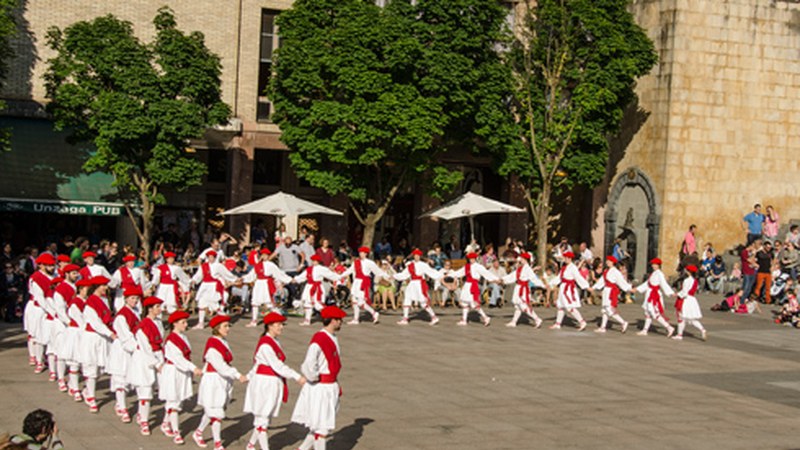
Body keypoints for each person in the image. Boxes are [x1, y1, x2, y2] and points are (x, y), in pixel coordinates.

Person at [243, 312, 306, 450]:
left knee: (265, 417)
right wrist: (297, 376)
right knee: (262, 418)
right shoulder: (266, 345)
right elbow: (277, 366)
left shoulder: (274, 341)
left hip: (271, 382)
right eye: (278, 324)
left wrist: (247, 376)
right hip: (264, 383)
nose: (281, 327)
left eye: (282, 324)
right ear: (269, 326)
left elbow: (258, 364)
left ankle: (251, 445)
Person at [292, 306, 346, 450]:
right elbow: (308, 364)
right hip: (321, 387)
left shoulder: (333, 337)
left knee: (321, 426)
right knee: (321, 429)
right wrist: (314, 377)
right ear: (332, 321)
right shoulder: (319, 339)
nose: (341, 322)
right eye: (339, 320)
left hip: (330, 385)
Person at [194, 315, 247, 450]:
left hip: (221, 379)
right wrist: (237, 374)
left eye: (228, 326)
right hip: (213, 380)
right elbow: (221, 366)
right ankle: (218, 444)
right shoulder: (213, 346)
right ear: (217, 328)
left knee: (213, 409)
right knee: (216, 412)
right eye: (225, 326)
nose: (228, 329)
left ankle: (198, 432)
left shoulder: (223, 341)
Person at [159, 310, 202, 445]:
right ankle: (176, 431)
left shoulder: (183, 337)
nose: (185, 324)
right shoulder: (171, 340)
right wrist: (193, 368)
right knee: (173, 400)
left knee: (178, 400)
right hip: (173, 371)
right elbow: (178, 359)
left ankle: (166, 423)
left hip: (181, 372)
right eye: (183, 322)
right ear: (175, 324)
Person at [128, 296, 165, 435]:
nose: (160, 309)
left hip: (157, 355)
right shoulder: (142, 327)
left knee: (157, 388)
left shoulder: (159, 323)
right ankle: (144, 420)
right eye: (157, 307)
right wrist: (156, 363)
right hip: (144, 360)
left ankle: (141, 414)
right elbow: (145, 348)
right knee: (145, 391)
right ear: (150, 309)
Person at [80, 276, 117, 413]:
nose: (105, 288)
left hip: (103, 338)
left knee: (102, 368)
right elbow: (96, 323)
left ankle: (87, 390)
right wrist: (110, 333)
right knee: (92, 367)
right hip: (92, 338)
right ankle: (91, 396)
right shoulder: (90, 303)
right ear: (96, 287)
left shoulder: (104, 300)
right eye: (103, 286)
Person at [107, 286, 142, 423]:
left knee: (128, 377)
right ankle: (122, 406)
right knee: (120, 377)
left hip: (131, 349)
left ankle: (121, 403)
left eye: (136, 298)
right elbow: (125, 335)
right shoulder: (121, 316)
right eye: (132, 298)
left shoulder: (136, 312)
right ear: (126, 299)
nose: (134, 301)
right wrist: (136, 347)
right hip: (122, 349)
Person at [243, 249, 292, 327]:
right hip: (259, 284)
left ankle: (280, 319)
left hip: (267, 284)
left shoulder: (271, 265)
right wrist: (242, 279)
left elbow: (278, 274)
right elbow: (251, 275)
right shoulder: (258, 265)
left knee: (270, 303)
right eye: (263, 255)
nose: (265, 256)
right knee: (255, 302)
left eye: (266, 255)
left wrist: (289, 279)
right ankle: (254, 320)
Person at [191, 250, 239, 330]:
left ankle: (225, 320)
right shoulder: (204, 266)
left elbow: (226, 273)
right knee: (201, 304)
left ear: (215, 257)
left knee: (214, 305)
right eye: (209, 257)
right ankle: (201, 323)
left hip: (213, 287)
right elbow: (199, 275)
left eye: (212, 257)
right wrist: (194, 280)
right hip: (205, 286)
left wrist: (234, 279)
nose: (210, 259)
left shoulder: (218, 266)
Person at [393, 249, 443, 325]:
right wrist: (394, 276)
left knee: (423, 302)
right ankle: (405, 318)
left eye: (418, 256)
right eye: (415, 255)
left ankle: (434, 317)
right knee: (407, 298)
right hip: (412, 284)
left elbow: (431, 272)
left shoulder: (423, 265)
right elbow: (404, 274)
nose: (417, 257)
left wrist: (441, 276)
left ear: (420, 256)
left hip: (419, 284)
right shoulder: (410, 265)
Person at [24, 253, 56, 374]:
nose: (52, 268)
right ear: (41, 266)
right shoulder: (36, 278)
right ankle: (38, 359)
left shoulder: (54, 276)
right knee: (36, 335)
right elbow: (40, 298)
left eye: (53, 265)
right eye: (49, 265)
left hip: (50, 307)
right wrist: (51, 311)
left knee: (48, 335)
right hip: (38, 309)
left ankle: (47, 357)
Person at [338, 247, 386, 325]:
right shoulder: (356, 262)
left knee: (361, 302)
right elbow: (350, 270)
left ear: (366, 254)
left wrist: (387, 276)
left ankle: (374, 313)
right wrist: (340, 276)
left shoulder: (369, 262)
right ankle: (356, 319)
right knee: (354, 300)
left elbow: (378, 271)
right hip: (356, 282)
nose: (361, 254)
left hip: (363, 282)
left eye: (362, 252)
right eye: (360, 252)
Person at [51, 264, 80, 392]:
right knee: (61, 352)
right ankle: (61, 378)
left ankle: (73, 378)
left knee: (73, 352)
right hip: (62, 324)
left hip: (74, 324)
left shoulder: (78, 286)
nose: (76, 275)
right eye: (73, 273)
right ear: (67, 274)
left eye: (76, 273)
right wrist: (68, 322)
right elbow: (60, 309)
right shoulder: (60, 289)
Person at [449, 252, 498, 326]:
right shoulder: (467, 266)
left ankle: (485, 317)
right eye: (470, 259)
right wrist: (450, 274)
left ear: (475, 259)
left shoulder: (478, 266)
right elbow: (459, 273)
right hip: (467, 285)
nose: (471, 260)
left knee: (473, 304)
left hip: (473, 286)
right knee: (465, 303)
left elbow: (486, 273)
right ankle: (464, 320)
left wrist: (496, 279)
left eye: (472, 259)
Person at [293, 254, 341, 326]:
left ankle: (331, 317)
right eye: (313, 261)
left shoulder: (321, 268)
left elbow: (330, 275)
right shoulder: (309, 269)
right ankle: (307, 320)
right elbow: (302, 277)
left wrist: (339, 278)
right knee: (307, 303)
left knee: (318, 304)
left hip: (317, 288)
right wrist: (294, 280)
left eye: (315, 261)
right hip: (309, 287)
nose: (314, 262)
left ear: (318, 261)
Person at [64, 278, 90, 402]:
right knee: (74, 361)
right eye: (86, 289)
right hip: (76, 333)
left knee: (85, 361)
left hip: (85, 333)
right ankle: (74, 388)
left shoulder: (88, 301)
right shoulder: (75, 303)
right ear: (81, 289)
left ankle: (85, 388)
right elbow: (79, 319)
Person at [549, 251, 590, 331]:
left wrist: (586, 286)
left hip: (569, 289)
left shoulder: (573, 267)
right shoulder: (564, 267)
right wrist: (551, 283)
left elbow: (578, 278)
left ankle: (582, 321)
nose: (566, 259)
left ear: (570, 258)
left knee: (569, 307)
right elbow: (559, 278)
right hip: (563, 287)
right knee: (561, 306)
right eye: (565, 258)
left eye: (567, 258)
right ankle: (558, 323)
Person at [501, 253, 544, 328]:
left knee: (523, 306)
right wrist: (502, 280)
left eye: (521, 258)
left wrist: (543, 285)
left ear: (524, 259)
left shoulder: (527, 269)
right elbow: (513, 276)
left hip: (523, 289)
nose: (520, 260)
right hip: (518, 287)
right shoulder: (521, 268)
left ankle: (537, 319)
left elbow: (534, 279)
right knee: (518, 306)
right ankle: (514, 322)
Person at [635, 258, 676, 337]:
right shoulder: (653, 273)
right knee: (647, 313)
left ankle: (669, 327)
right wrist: (637, 289)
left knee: (654, 313)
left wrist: (670, 293)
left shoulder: (659, 274)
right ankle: (645, 330)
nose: (653, 266)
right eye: (653, 264)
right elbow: (647, 283)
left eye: (655, 264)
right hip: (650, 293)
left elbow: (664, 284)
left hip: (654, 295)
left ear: (658, 265)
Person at [591, 256, 632, 333]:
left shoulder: (616, 272)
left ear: (612, 262)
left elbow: (621, 282)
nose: (607, 262)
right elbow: (601, 281)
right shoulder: (606, 271)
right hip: (606, 291)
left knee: (609, 310)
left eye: (609, 261)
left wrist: (629, 288)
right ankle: (603, 327)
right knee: (605, 310)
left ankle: (623, 322)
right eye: (607, 261)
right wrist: (593, 287)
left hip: (611, 292)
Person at [672, 265, 707, 341]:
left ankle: (679, 334)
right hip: (692, 300)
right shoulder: (695, 281)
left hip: (685, 300)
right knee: (692, 319)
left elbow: (684, 292)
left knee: (681, 317)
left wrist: (677, 294)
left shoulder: (686, 280)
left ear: (689, 272)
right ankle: (702, 329)